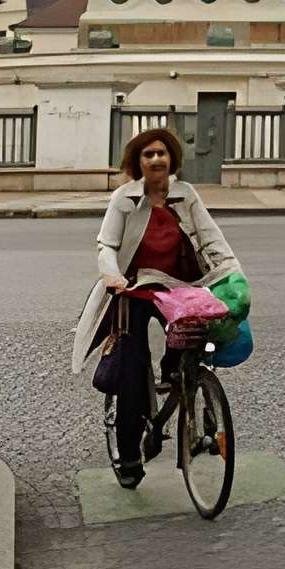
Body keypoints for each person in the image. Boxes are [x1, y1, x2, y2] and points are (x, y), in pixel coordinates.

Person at [70, 127, 244, 489]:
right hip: (134, 289)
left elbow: (212, 237)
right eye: (148, 154)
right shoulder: (124, 198)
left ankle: (180, 376)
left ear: (172, 160)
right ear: (138, 163)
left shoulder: (186, 194)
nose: (156, 160)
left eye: (161, 153)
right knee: (132, 372)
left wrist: (234, 275)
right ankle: (130, 456)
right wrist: (113, 277)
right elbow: (106, 246)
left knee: (193, 340)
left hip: (178, 287)